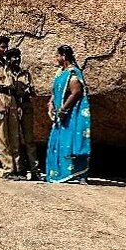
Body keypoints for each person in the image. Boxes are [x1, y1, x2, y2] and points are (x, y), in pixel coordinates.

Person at [45, 45, 91, 183]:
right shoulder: (60, 72)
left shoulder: (73, 73)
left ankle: (79, 174)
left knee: (72, 142)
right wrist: (50, 104)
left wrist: (64, 110)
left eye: (57, 56)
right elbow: (54, 93)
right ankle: (61, 173)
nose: (56, 58)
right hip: (60, 116)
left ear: (64, 57)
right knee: (60, 143)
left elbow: (76, 92)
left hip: (71, 115)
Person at [0, 35, 23, 180]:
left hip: (11, 98)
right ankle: (8, 169)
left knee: (14, 134)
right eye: (2, 47)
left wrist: (17, 104)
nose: (5, 49)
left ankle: (18, 168)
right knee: (2, 135)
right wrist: (0, 104)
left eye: (6, 46)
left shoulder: (7, 65)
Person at [7, 47, 41, 180]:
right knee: (15, 140)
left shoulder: (25, 74)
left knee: (29, 140)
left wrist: (28, 90)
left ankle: (35, 170)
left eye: (18, 56)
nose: (16, 59)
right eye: (13, 57)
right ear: (8, 59)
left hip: (26, 107)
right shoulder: (7, 73)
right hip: (13, 107)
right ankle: (19, 169)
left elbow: (33, 91)